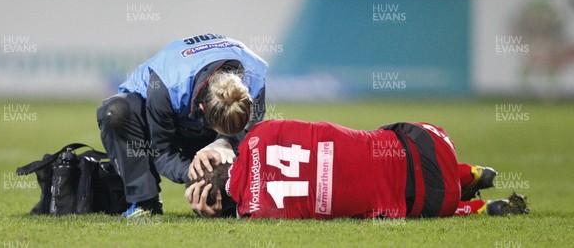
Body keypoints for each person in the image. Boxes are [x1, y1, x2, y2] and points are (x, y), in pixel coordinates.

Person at [185, 120, 529, 219]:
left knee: (384, 204)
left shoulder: (256, 213)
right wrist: (222, 145)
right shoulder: (262, 132)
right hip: (430, 142)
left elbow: (244, 202)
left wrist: (221, 211)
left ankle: (480, 209)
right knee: (375, 144)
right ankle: (469, 173)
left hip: (432, 202)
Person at [97, 33, 268, 218]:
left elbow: (251, 139)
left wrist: (225, 143)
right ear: (203, 110)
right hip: (158, 114)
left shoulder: (254, 77)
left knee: (249, 146)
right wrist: (197, 175)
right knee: (115, 112)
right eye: (225, 130)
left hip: (197, 113)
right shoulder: (165, 84)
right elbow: (161, 151)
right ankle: (144, 203)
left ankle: (233, 202)